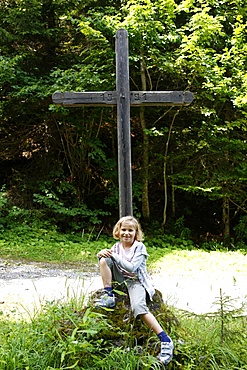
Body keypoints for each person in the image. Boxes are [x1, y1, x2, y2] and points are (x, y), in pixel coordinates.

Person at [96, 215, 174, 365]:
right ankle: (109, 295)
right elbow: (108, 262)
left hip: (135, 281)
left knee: (138, 307)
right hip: (120, 280)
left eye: (130, 230)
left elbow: (131, 267)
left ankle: (165, 340)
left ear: (136, 233)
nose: (126, 233)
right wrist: (102, 254)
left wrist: (114, 256)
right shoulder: (116, 247)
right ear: (118, 231)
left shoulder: (139, 247)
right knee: (103, 260)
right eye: (123, 229)